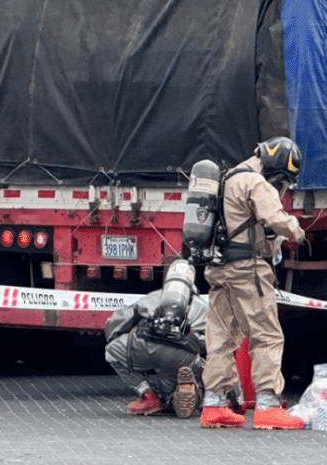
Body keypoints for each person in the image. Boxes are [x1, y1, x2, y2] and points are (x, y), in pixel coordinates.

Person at [199, 136, 307, 430]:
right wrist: (297, 231)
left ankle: (213, 404)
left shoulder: (226, 178)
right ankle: (268, 405)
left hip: (220, 267)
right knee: (267, 335)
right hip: (249, 270)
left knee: (221, 336)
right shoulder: (256, 183)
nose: (279, 183)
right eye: (281, 177)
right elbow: (276, 218)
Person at [104, 259, 207, 419]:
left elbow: (118, 320)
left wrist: (120, 340)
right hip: (182, 356)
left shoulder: (155, 296)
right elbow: (214, 343)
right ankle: (191, 392)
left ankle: (148, 395)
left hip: (144, 345)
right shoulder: (203, 306)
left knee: (112, 351)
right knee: (174, 385)